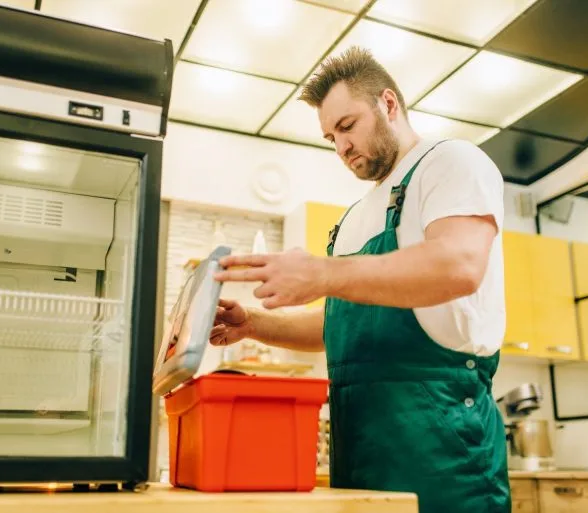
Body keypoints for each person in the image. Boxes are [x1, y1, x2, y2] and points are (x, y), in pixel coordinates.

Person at [208, 46, 510, 512]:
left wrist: (321, 271)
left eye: (347, 127)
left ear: (388, 105)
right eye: (331, 137)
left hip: (441, 445)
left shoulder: (451, 162)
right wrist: (252, 324)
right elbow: (343, 325)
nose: (341, 147)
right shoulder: (353, 218)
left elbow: (459, 264)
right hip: (360, 447)